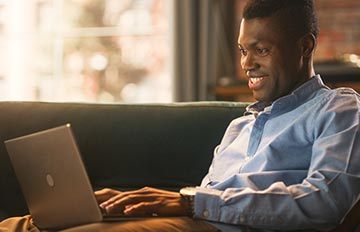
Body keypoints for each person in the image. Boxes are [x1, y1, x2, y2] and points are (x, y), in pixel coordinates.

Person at [1, 0, 359, 231]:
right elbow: (205, 200)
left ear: (306, 46)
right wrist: (136, 204)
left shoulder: (337, 109)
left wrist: (190, 202)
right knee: (23, 225)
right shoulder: (240, 126)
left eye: (261, 50)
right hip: (200, 220)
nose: (247, 64)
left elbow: (324, 201)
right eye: (242, 51)